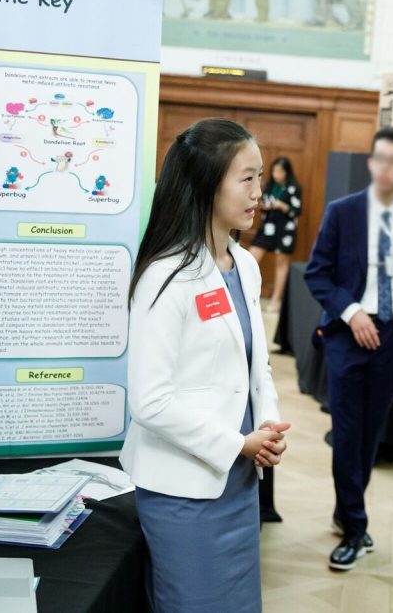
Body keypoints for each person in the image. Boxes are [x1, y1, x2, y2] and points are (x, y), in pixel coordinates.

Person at [121, 118, 291, 612]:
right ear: (206, 184)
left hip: (238, 481)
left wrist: (268, 426)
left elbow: (255, 365)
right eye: (248, 178)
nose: (260, 192)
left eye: (261, 178)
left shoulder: (245, 264)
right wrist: (238, 443)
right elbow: (150, 402)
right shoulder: (165, 275)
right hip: (184, 490)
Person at [305, 126, 393, 571]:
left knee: (371, 433)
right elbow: (317, 273)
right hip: (349, 336)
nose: (384, 168)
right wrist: (352, 313)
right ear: (370, 161)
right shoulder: (343, 211)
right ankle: (357, 527)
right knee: (346, 431)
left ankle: (348, 510)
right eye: (378, 158)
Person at [250, 156, 302, 313]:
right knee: (251, 259)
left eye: (280, 171)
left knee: (281, 264)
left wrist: (280, 205)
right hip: (267, 228)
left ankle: (276, 299)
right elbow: (261, 203)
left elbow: (297, 211)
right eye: (274, 171)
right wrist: (265, 206)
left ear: (287, 172)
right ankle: (249, 296)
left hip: (285, 229)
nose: (276, 174)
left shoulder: (294, 188)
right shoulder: (269, 186)